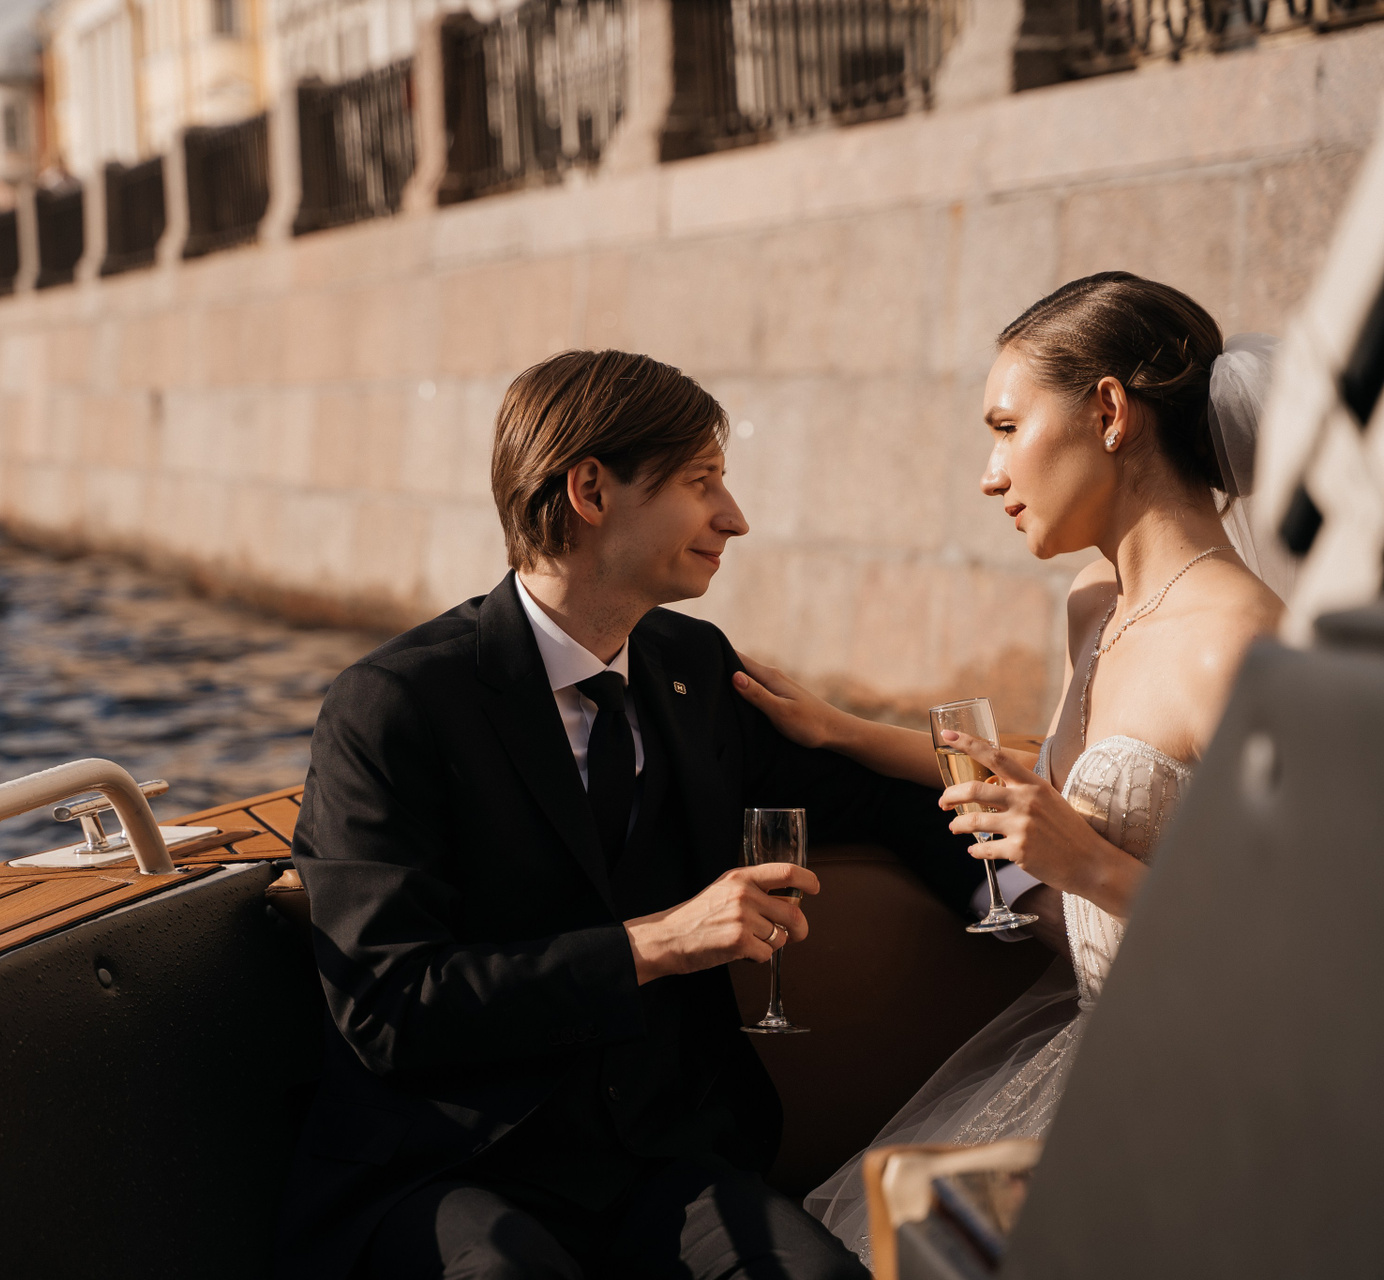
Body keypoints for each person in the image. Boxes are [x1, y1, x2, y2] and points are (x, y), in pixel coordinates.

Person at [277, 350, 983, 1280]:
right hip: (452, 1166)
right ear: (590, 491)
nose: (735, 517)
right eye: (702, 482)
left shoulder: (695, 668)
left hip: (664, 1163)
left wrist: (1043, 909)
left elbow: (872, 798)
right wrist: (657, 943)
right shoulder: (394, 705)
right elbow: (389, 1008)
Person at [728, 272, 1286, 1263]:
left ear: (1108, 412)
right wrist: (842, 730)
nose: (991, 475)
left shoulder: (1235, 644)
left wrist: (1088, 866)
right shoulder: (1095, 604)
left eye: (1005, 427)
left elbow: (1309, 949)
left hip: (1216, 1091)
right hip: (1089, 1049)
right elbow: (1055, 769)